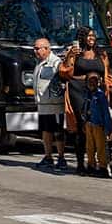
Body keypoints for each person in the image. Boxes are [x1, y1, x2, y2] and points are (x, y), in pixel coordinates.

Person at [59, 26, 112, 175]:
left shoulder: (100, 54)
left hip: (97, 91)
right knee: (82, 126)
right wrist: (70, 56)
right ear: (82, 37)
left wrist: (109, 86)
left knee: (100, 124)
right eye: (89, 36)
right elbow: (65, 73)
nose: (92, 38)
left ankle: (104, 162)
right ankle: (81, 163)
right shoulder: (75, 53)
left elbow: (107, 72)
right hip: (78, 90)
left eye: (93, 36)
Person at [32, 38, 67, 171]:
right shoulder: (39, 63)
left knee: (58, 132)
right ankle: (48, 157)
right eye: (35, 49)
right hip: (43, 105)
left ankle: (61, 158)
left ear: (47, 49)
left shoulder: (56, 62)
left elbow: (63, 75)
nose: (35, 51)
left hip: (55, 104)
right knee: (46, 132)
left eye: (38, 48)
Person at [83, 72, 112, 177]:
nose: (91, 83)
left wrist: (109, 128)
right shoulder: (86, 95)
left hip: (98, 124)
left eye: (94, 81)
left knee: (100, 146)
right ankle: (91, 165)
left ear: (98, 82)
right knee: (89, 146)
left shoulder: (100, 96)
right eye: (89, 81)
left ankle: (103, 167)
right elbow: (84, 109)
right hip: (89, 123)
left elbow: (106, 112)